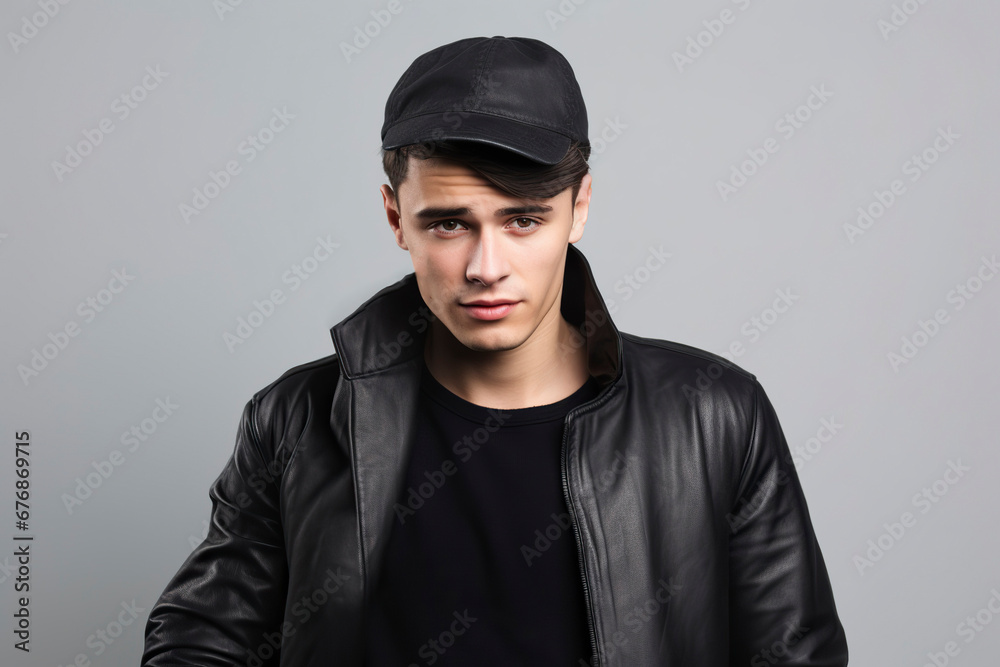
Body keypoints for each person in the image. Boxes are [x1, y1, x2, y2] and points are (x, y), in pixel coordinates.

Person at [142, 36, 848, 666]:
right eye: (449, 223)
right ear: (396, 218)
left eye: (523, 220)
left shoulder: (714, 414)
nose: (486, 265)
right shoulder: (295, 418)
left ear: (580, 207)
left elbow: (794, 653)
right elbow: (204, 635)